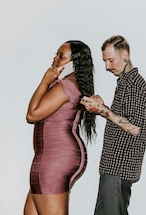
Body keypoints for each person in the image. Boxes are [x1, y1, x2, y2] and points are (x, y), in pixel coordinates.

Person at [24, 40, 96, 215]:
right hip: (51, 156)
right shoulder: (65, 83)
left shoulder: (67, 86)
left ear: (74, 63)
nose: (55, 58)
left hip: (57, 156)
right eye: (56, 54)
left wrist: (44, 81)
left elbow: (32, 115)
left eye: (61, 56)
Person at [81, 35, 146, 215]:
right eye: (105, 61)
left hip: (119, 168)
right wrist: (102, 107)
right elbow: (123, 119)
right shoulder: (125, 82)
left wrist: (102, 110)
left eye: (110, 60)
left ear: (125, 55)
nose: (107, 67)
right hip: (113, 166)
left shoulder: (134, 84)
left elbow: (134, 128)